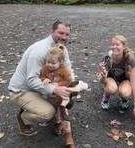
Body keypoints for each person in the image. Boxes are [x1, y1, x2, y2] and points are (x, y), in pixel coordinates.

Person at [8, 20, 85, 148]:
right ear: (52, 31)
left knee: (63, 97)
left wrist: (72, 86)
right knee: (47, 113)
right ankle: (23, 118)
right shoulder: (39, 51)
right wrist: (55, 90)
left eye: (67, 34)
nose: (64, 37)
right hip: (22, 90)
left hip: (40, 86)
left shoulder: (61, 49)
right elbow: (31, 80)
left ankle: (61, 123)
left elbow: (68, 69)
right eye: (61, 33)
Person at [99, 35, 135, 122]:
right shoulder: (107, 57)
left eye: (117, 44)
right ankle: (106, 97)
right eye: (112, 44)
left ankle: (124, 99)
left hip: (124, 79)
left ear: (124, 46)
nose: (114, 47)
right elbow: (102, 81)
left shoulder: (130, 60)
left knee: (125, 93)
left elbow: (134, 82)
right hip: (111, 78)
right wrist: (104, 74)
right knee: (112, 89)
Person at [40, 43, 79, 122]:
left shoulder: (63, 69)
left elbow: (69, 79)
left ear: (60, 62)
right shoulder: (45, 68)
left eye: (53, 63)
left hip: (61, 92)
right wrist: (44, 79)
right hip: (50, 93)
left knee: (62, 105)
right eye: (48, 62)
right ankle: (57, 123)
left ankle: (64, 117)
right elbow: (41, 76)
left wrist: (58, 84)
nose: (50, 65)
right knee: (53, 110)